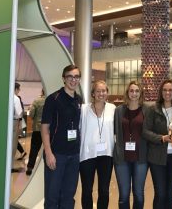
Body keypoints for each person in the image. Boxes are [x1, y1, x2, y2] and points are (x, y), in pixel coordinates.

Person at [41, 65, 82, 208]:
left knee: (68, 196)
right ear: (64, 78)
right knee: (52, 196)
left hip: (74, 155)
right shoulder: (53, 99)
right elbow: (45, 128)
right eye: (70, 76)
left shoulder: (79, 100)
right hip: (56, 154)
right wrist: (48, 153)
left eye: (76, 77)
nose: (73, 80)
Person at [143, 79, 172, 209]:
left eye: (170, 90)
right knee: (160, 194)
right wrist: (162, 138)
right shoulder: (153, 109)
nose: (168, 92)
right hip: (157, 157)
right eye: (165, 90)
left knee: (169, 194)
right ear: (161, 92)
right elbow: (145, 132)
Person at [79, 80, 116, 209]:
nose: (101, 93)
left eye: (104, 91)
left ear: (107, 93)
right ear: (93, 93)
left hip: (106, 155)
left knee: (104, 190)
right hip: (87, 155)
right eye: (98, 91)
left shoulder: (113, 108)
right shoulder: (83, 109)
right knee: (87, 190)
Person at [113, 81, 149, 209]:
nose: (134, 93)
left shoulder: (146, 110)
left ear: (141, 93)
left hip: (141, 158)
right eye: (131, 91)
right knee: (123, 195)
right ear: (127, 93)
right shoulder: (118, 110)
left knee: (138, 194)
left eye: (137, 91)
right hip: (122, 158)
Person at [26, 89, 46, 175]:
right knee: (49, 148)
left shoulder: (37, 101)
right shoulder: (51, 100)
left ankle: (30, 168)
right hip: (48, 129)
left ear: (42, 92)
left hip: (37, 128)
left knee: (34, 148)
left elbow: (31, 114)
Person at [12, 83, 24, 173]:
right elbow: (19, 113)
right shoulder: (15, 98)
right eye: (19, 89)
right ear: (16, 89)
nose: (19, 91)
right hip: (14, 122)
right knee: (13, 144)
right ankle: (10, 166)